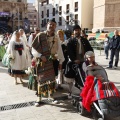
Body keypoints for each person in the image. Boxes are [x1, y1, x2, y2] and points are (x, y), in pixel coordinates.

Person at [32, 18, 64, 106]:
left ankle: (51, 97)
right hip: (42, 61)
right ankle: (39, 98)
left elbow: (59, 50)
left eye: (53, 25)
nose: (51, 26)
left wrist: (61, 62)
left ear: (55, 26)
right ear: (47, 25)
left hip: (52, 60)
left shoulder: (56, 37)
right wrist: (40, 56)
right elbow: (33, 49)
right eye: (50, 24)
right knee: (41, 80)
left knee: (51, 80)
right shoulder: (40, 35)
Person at [65, 24, 93, 98]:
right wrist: (74, 59)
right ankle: (70, 92)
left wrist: (90, 57)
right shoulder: (70, 41)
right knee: (70, 77)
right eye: (76, 30)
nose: (77, 31)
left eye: (78, 30)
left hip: (84, 61)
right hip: (73, 61)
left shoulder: (84, 40)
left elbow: (90, 49)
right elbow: (69, 52)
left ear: (80, 31)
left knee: (83, 76)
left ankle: (82, 91)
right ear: (73, 32)